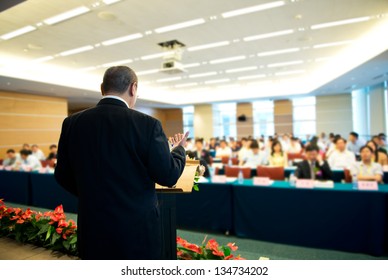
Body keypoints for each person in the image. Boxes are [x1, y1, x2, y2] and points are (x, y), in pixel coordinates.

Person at [54, 66, 187, 260]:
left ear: (102, 88)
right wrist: (180, 150)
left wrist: (93, 194)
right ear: (133, 88)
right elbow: (168, 176)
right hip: (136, 228)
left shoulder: (72, 123)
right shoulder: (148, 125)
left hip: (93, 225)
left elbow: (62, 175)